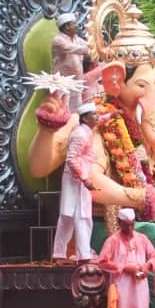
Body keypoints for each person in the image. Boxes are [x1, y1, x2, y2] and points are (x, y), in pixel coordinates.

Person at [96, 208, 155, 308]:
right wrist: (124, 268)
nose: (129, 228)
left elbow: (154, 256)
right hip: (121, 287)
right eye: (126, 224)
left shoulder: (142, 238)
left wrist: (148, 266)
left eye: (132, 224)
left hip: (140, 287)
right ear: (119, 222)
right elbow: (102, 262)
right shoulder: (112, 241)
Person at [52, 103, 98, 263]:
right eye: (95, 115)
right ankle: (81, 255)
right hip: (76, 180)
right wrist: (84, 180)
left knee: (74, 217)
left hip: (78, 178)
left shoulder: (84, 129)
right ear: (86, 118)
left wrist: (110, 116)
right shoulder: (80, 134)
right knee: (75, 217)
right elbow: (71, 159)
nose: (98, 117)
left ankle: (65, 254)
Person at [51, 12, 90, 111]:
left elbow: (88, 45)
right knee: (62, 111)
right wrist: (92, 49)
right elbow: (77, 49)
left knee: (77, 111)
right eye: (74, 23)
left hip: (77, 81)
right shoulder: (58, 40)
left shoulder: (77, 39)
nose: (77, 26)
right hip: (63, 83)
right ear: (67, 26)